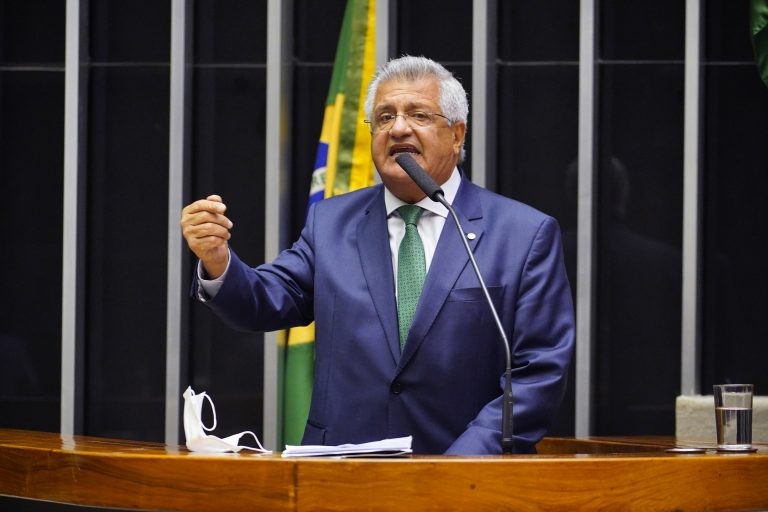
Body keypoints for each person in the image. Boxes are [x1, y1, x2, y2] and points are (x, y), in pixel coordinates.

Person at [180, 55, 574, 454]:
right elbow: (266, 301)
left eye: (418, 114)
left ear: (457, 135)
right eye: (384, 117)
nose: (398, 128)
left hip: (464, 474)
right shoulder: (331, 223)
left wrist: (457, 467)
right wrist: (218, 260)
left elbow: (537, 372)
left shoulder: (523, 235)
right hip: (342, 472)